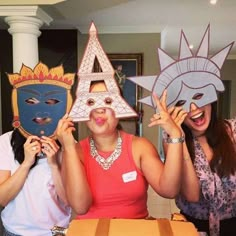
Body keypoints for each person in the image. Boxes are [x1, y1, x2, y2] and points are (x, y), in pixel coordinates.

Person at [56, 81, 186, 219]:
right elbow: (80, 207)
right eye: (91, 102)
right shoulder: (74, 152)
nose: (100, 109)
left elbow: (169, 190)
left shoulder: (140, 147)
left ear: (119, 108)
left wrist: (175, 134)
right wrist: (68, 148)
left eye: (107, 100)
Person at [0, 62, 91, 236]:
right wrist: (26, 163)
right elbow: (3, 199)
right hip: (15, 231)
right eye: (30, 101)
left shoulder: (69, 145)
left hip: (56, 231)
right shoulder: (5, 142)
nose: (41, 110)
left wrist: (54, 164)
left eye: (51, 102)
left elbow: (69, 201)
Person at [165, 102, 236, 236]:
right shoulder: (172, 140)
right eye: (182, 103)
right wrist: (179, 138)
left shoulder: (233, 130)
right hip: (193, 228)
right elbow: (191, 195)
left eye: (199, 97)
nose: (193, 108)